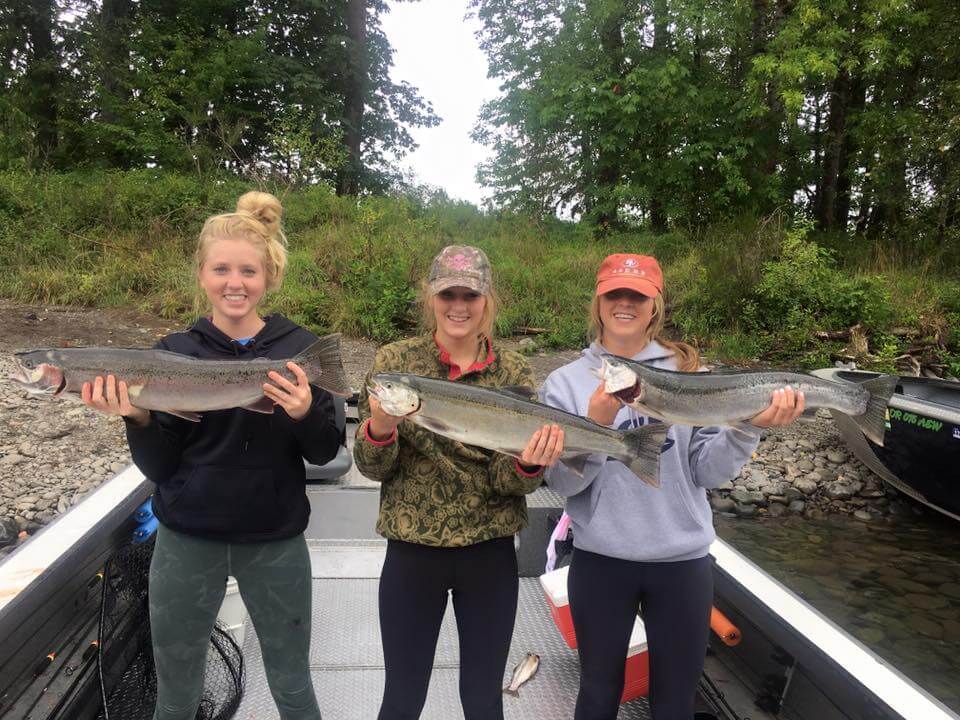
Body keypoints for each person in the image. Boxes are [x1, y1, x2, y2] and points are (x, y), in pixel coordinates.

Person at [81, 191, 341, 720]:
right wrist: (137, 417)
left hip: (274, 540)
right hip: (186, 540)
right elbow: (158, 468)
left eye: (248, 270)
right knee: (176, 695)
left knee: (292, 685)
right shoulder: (174, 353)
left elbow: (325, 451)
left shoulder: (300, 350)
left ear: (269, 276)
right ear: (201, 274)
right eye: (221, 269)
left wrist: (304, 411)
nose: (234, 282)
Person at [540, 253, 803, 720]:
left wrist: (746, 427)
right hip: (601, 562)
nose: (625, 303)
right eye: (614, 294)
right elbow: (561, 483)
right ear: (598, 302)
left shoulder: (690, 375)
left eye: (637, 295)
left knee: (674, 704)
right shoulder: (564, 383)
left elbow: (707, 473)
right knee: (598, 697)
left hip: (681, 565)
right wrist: (596, 425)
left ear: (655, 305)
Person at [353, 245, 563, 720]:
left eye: (470, 294)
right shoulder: (395, 364)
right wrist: (381, 428)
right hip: (412, 549)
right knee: (402, 697)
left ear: (487, 299)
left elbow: (511, 481)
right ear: (432, 296)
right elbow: (372, 467)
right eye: (449, 292)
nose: (459, 305)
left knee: (483, 700)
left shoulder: (512, 371)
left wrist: (529, 466)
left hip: (487, 551)